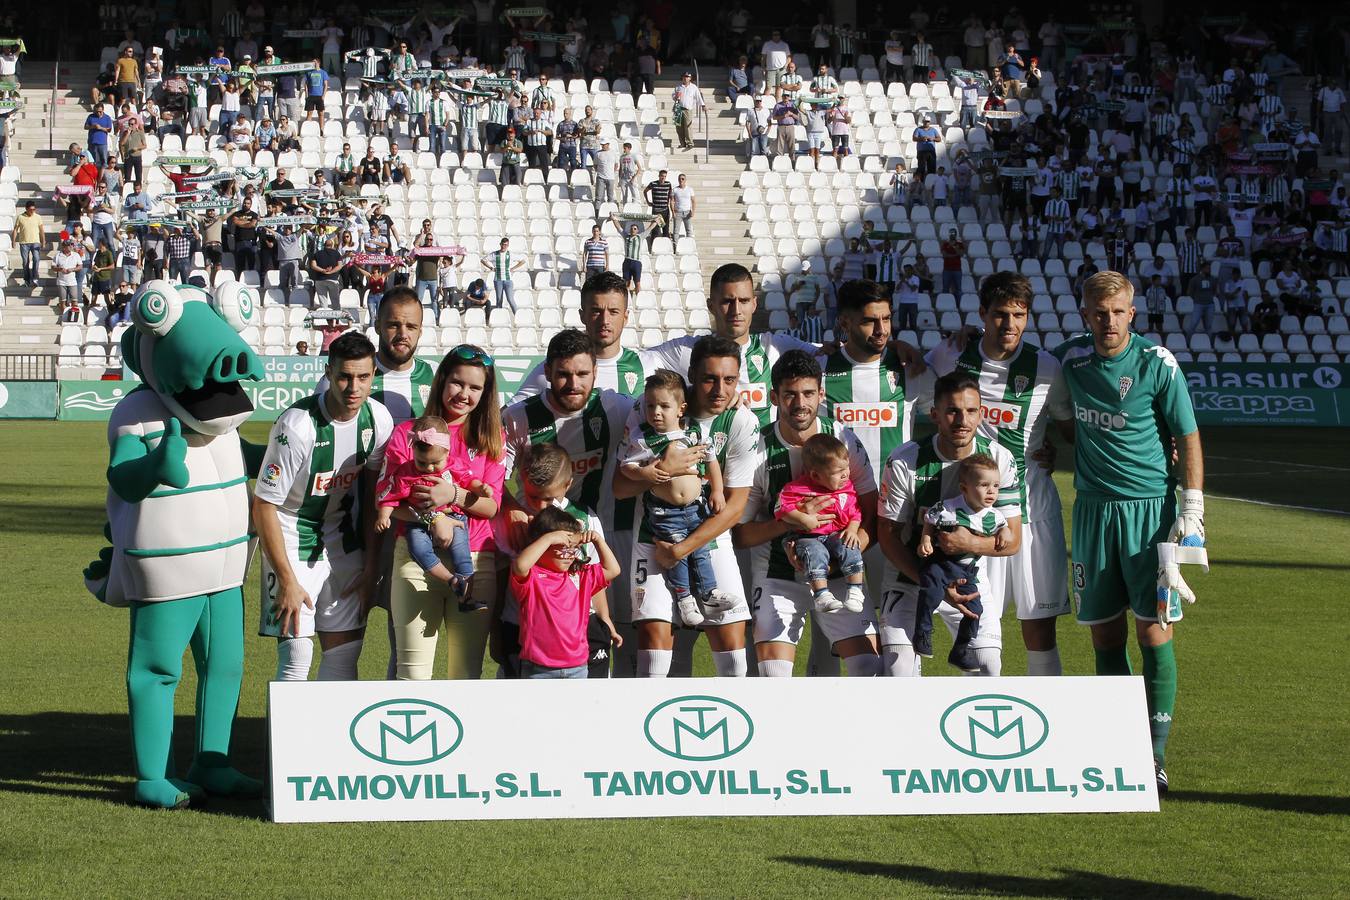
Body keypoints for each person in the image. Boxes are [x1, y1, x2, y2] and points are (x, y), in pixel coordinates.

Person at [1052, 270, 1206, 792]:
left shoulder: (1156, 363)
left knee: (1154, 629)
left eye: (1117, 311)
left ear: (1132, 313)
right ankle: (1119, 747)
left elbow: (1187, 435)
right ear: (1084, 313)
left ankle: (1155, 755)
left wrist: (1193, 509)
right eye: (1099, 312)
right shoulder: (1070, 361)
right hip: (1094, 513)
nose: (1108, 321)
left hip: (1152, 515)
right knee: (1104, 630)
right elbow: (1053, 410)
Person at [613, 335, 759, 678]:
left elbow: (734, 507)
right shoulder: (651, 407)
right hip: (654, 534)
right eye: (709, 378)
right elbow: (620, 488)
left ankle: (738, 723)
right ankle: (649, 723)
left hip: (709, 536)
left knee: (731, 639)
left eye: (729, 380)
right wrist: (660, 472)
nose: (720, 390)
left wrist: (679, 550)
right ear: (692, 373)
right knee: (654, 634)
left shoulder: (741, 421)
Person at [731, 350, 882, 678]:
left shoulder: (844, 440)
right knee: (773, 675)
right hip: (779, 572)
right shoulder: (757, 449)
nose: (800, 403)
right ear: (774, 397)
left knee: (869, 668)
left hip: (840, 571)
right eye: (790, 394)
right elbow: (740, 534)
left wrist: (843, 554)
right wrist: (787, 522)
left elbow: (871, 516)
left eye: (809, 393)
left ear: (822, 394)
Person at [254, 332, 395, 681]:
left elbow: (376, 496)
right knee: (297, 656)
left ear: (373, 375)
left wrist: (371, 568)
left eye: (363, 377)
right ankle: (283, 738)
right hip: (291, 534)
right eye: (344, 376)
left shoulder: (378, 420)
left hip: (343, 539)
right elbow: (263, 506)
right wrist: (286, 578)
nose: (353, 387)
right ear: (329, 372)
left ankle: (329, 737)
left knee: (345, 657)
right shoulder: (297, 427)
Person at [502, 330, 640, 675]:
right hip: (526, 545)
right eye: (563, 374)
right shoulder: (518, 417)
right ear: (546, 372)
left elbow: (660, 420)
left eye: (582, 374)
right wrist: (515, 510)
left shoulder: (616, 408)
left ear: (595, 371)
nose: (573, 383)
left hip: (585, 539)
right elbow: (494, 477)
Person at [877, 372, 1024, 678]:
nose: (962, 420)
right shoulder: (905, 461)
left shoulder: (1000, 458)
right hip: (910, 577)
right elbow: (888, 536)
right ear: (935, 415)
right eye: (953, 411)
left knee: (988, 665)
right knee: (899, 668)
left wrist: (969, 545)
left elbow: (1012, 542)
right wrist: (935, 584)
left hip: (968, 576)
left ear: (981, 414)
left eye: (971, 411)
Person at [385, 345, 507, 680]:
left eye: (475, 387)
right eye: (457, 383)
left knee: (465, 675)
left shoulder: (492, 437)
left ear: (485, 393)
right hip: (415, 562)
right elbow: (391, 504)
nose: (464, 394)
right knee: (412, 674)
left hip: (476, 562)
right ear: (441, 381)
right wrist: (435, 518)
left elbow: (490, 506)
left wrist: (452, 493)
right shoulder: (406, 434)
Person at [619, 370, 730, 627]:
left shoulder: (693, 431)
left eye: (664, 406)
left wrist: (717, 490)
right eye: (650, 405)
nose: (656, 411)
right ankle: (684, 598)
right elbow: (626, 466)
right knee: (677, 554)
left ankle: (708, 592)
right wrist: (644, 472)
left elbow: (710, 458)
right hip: (665, 513)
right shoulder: (642, 436)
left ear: (681, 409)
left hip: (695, 508)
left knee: (699, 549)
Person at [915, 453, 1011, 671]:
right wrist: (926, 539)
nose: (991, 491)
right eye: (984, 485)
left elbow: (1004, 527)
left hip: (967, 572)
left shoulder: (994, 516)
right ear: (965, 488)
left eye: (995, 485)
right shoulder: (949, 508)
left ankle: (960, 650)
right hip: (940, 563)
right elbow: (929, 519)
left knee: (975, 611)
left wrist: (1004, 532)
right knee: (931, 592)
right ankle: (922, 632)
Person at [375, 414, 483, 599]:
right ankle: (451, 579)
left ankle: (467, 592)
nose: (429, 468)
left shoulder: (454, 466)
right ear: (414, 453)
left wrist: (481, 488)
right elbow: (389, 496)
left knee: (461, 552)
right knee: (419, 549)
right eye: (422, 462)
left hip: (454, 518)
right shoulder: (407, 473)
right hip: (418, 522)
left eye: (435, 463)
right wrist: (384, 516)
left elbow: (469, 480)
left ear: (447, 453)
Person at [509, 505, 623, 679]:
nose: (570, 553)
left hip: (577, 667)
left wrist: (598, 540)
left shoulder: (581, 575)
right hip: (538, 669)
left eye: (573, 547)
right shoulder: (532, 576)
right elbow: (520, 565)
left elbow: (613, 569)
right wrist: (549, 538)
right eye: (562, 546)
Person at [775, 433, 867, 614]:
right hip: (808, 537)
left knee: (849, 544)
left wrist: (852, 529)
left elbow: (855, 512)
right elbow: (781, 509)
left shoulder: (847, 488)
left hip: (835, 535)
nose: (845, 475)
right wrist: (803, 519)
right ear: (816, 476)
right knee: (814, 552)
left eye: (846, 468)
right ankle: (821, 595)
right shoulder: (797, 489)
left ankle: (856, 590)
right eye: (837, 472)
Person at [481, 237, 523, 323]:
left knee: (510, 299)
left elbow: (522, 261)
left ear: (508, 245)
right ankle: (499, 319)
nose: (504, 246)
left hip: (508, 280)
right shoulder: (495, 254)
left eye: (506, 245)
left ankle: (518, 318)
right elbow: (483, 260)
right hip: (498, 280)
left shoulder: (510, 254)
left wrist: (513, 268)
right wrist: (491, 268)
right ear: (500, 244)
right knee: (499, 299)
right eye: (503, 244)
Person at [13, 201, 44, 287]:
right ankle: (27, 279)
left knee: (36, 259)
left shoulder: (38, 217)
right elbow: (15, 229)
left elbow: (41, 230)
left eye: (34, 209)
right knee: (25, 261)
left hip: (35, 242)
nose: (32, 211)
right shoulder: (20, 217)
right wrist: (13, 241)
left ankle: (34, 277)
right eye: (30, 210)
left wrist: (43, 241)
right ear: (26, 209)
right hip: (24, 243)